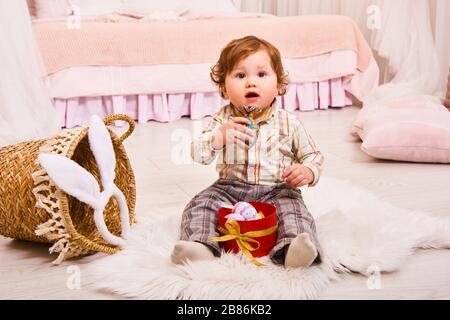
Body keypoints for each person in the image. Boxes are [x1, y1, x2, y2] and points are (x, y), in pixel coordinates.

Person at [171, 35, 324, 269]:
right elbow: (197, 154)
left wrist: (308, 170)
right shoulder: (222, 119)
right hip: (229, 188)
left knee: (294, 210)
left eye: (261, 75)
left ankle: (293, 249)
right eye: (240, 76)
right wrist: (217, 138)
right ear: (223, 87)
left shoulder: (288, 122)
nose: (251, 83)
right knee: (200, 203)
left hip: (277, 189)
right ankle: (200, 246)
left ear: (279, 85)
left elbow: (313, 156)